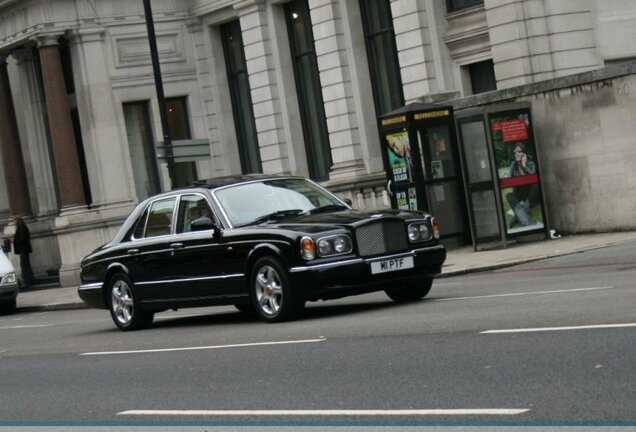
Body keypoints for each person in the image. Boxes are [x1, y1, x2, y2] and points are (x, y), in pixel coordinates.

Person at [506, 143, 540, 227]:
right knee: (509, 195)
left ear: (524, 153)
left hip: (530, 192)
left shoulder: (531, 163)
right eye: (515, 152)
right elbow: (508, 178)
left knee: (536, 187)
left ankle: (518, 216)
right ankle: (525, 220)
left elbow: (533, 177)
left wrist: (524, 166)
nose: (516, 153)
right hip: (520, 192)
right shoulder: (513, 165)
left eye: (519, 151)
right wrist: (507, 176)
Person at [12, 216, 34, 287]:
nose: (13, 222)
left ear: (17, 221)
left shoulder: (21, 227)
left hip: (23, 249)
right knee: (25, 265)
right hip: (24, 249)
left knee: (24, 265)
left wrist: (15, 241)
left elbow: (22, 238)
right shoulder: (22, 227)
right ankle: (28, 280)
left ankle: (28, 281)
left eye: (14, 221)